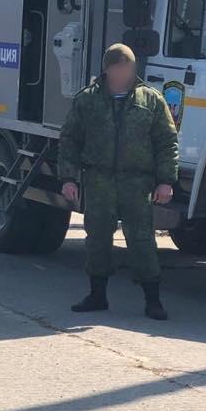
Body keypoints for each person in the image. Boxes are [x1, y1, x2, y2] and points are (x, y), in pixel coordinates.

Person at [59, 43, 179, 320]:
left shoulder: (150, 100)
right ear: (108, 69)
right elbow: (70, 140)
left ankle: (153, 300)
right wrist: (68, 177)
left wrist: (166, 181)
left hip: (136, 182)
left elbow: (166, 142)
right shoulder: (87, 100)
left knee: (142, 240)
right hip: (98, 179)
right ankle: (97, 295)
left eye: (129, 68)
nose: (124, 74)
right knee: (97, 239)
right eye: (119, 68)